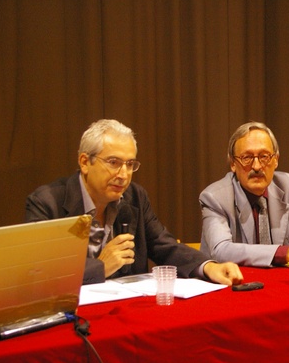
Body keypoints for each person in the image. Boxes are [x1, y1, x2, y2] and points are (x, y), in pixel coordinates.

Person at [26, 119, 243, 286]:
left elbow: (163, 245)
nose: (123, 174)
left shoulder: (135, 196)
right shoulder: (48, 203)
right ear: (85, 162)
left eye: (130, 164)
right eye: (113, 162)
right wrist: (100, 266)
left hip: (125, 309)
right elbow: (42, 273)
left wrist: (208, 267)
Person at [199, 122, 289, 266]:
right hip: (235, 284)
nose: (257, 166)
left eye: (264, 156)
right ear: (233, 164)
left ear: (276, 160)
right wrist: (287, 253)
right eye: (247, 158)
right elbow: (222, 251)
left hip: (281, 284)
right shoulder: (215, 198)